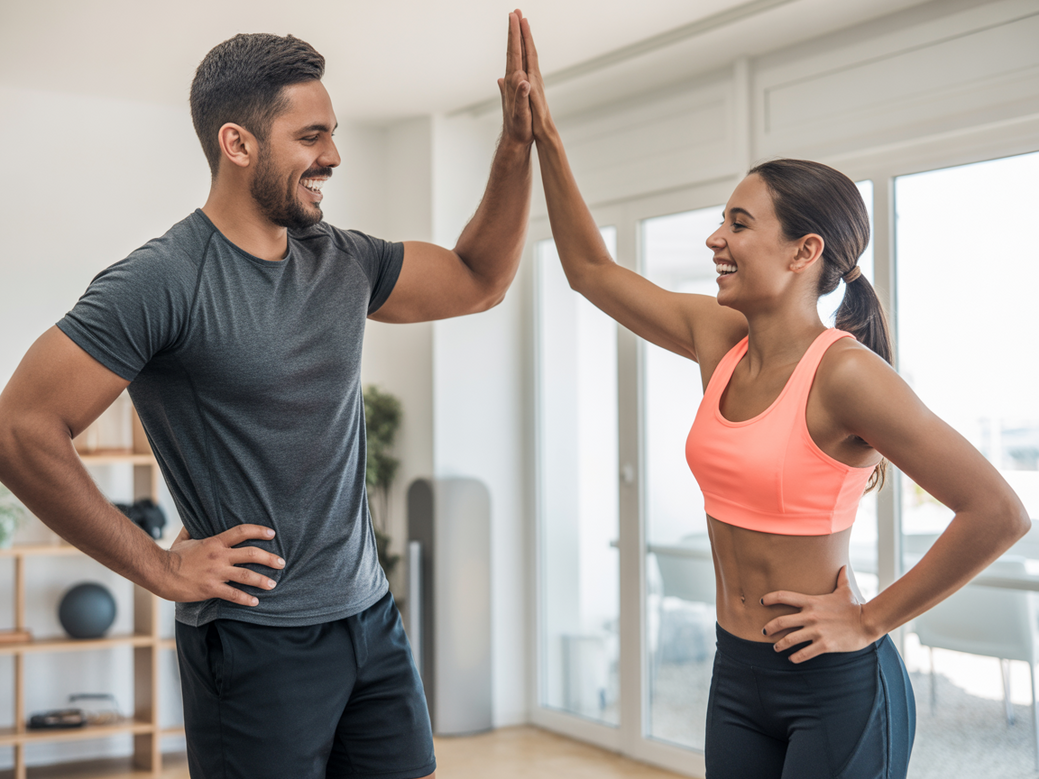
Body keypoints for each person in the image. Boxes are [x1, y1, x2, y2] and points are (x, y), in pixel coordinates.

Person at [0, 13, 537, 779]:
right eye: (311, 136)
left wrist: (515, 146)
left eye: (332, 133)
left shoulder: (342, 259)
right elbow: (19, 428)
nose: (334, 155)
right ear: (238, 143)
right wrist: (157, 565)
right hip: (254, 642)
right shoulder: (164, 280)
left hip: (368, 616)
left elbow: (478, 279)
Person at [514, 16, 1031, 779]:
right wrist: (545, 140)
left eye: (738, 222)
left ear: (803, 251)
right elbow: (590, 271)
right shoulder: (718, 336)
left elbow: (997, 510)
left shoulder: (844, 376)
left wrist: (869, 618)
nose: (714, 240)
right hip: (736, 675)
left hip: (833, 684)